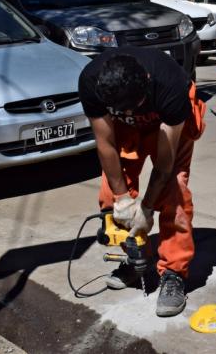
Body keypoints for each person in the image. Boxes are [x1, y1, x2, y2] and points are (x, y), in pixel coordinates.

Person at [78, 47, 206, 317]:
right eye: (121, 109)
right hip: (124, 128)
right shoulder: (91, 82)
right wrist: (123, 200)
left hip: (168, 122)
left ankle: (173, 273)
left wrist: (147, 208)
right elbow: (106, 144)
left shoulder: (169, 84)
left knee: (175, 193)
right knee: (110, 197)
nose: (128, 111)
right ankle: (137, 259)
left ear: (146, 81)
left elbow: (165, 165)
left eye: (132, 107)